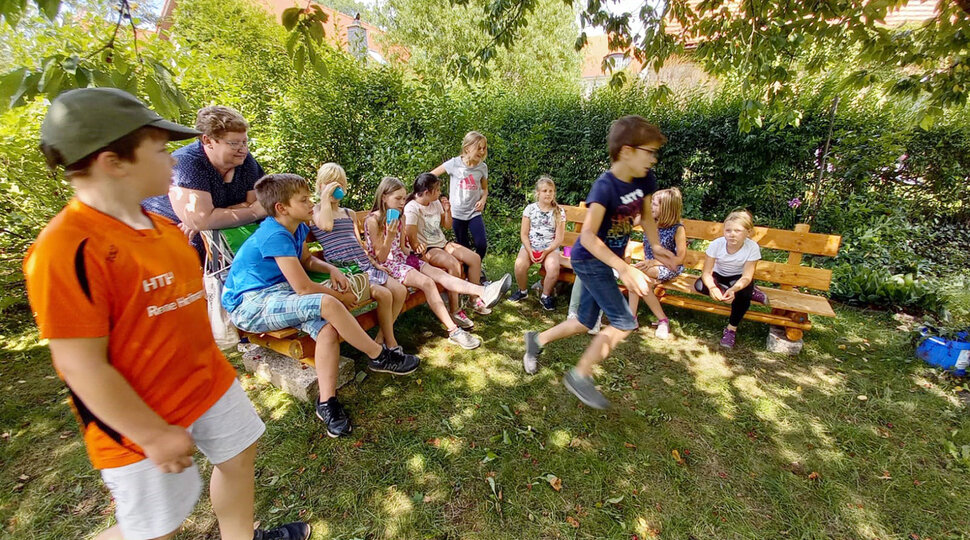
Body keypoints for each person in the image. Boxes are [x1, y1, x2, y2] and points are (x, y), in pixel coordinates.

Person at [25, 88, 309, 540]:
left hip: (207, 385)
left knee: (239, 456)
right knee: (155, 527)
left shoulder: (164, 231)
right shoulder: (67, 250)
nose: (174, 161)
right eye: (158, 150)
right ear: (112, 162)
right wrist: (152, 434)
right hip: (141, 415)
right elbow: (80, 364)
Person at [222, 174, 421, 438]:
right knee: (328, 301)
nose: (310, 203)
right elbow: (304, 288)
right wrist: (340, 297)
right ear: (281, 208)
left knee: (327, 329)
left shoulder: (299, 227)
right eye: (303, 200)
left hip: (281, 293)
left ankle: (327, 403)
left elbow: (306, 260)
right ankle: (379, 355)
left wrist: (330, 268)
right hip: (251, 302)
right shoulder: (273, 233)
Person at [521, 115, 669, 410]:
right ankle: (580, 375)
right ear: (627, 150)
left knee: (583, 322)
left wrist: (655, 244)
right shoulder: (604, 187)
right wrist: (623, 268)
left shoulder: (645, 179)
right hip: (590, 259)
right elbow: (587, 237)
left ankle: (535, 341)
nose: (653, 159)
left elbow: (648, 216)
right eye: (648, 151)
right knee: (625, 321)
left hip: (604, 260)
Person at [363, 177, 512, 350]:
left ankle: (484, 291)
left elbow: (403, 249)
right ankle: (454, 330)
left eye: (404, 198)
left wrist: (416, 252)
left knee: (441, 275)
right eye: (398, 198)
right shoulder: (373, 221)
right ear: (383, 197)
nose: (402, 203)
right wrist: (390, 235)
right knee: (428, 283)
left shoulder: (400, 218)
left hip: (404, 260)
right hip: (387, 266)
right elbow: (381, 257)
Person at [142, 105, 266, 260]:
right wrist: (254, 212)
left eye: (245, 142)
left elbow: (257, 201)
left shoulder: (246, 161)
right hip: (167, 244)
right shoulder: (188, 163)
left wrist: (211, 218)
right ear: (208, 140)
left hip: (220, 249)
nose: (243, 149)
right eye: (234, 143)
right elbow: (202, 219)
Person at [311, 163, 409, 350]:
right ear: (321, 185)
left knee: (401, 291)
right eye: (330, 183)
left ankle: (380, 339)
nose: (335, 187)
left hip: (364, 264)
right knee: (384, 294)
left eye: (339, 183)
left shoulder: (349, 213)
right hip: (345, 269)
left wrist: (374, 263)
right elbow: (326, 226)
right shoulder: (315, 213)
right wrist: (325, 198)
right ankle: (391, 343)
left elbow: (360, 245)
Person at [404, 173, 491, 329]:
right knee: (454, 265)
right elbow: (411, 236)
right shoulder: (412, 208)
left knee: (475, 258)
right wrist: (420, 254)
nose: (439, 193)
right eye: (437, 190)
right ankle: (455, 311)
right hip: (428, 249)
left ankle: (473, 299)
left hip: (442, 243)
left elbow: (447, 226)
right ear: (426, 192)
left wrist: (447, 210)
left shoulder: (435, 203)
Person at [693, 209, 768, 348]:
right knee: (699, 286)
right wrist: (713, 288)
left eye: (737, 231)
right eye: (728, 230)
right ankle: (733, 291)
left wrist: (734, 290)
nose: (732, 234)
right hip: (718, 275)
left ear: (748, 232)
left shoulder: (752, 247)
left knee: (743, 293)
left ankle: (731, 329)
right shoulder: (717, 244)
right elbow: (706, 273)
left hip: (738, 278)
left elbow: (746, 276)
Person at [627, 187, 687, 339]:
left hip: (668, 266)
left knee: (636, 274)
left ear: (666, 208)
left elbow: (680, 258)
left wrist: (655, 262)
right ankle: (659, 320)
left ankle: (633, 318)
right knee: (639, 278)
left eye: (654, 204)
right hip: (649, 266)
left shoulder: (678, 229)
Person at [430, 131, 490, 276]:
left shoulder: (482, 167)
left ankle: (473, 269)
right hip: (456, 214)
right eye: (479, 148)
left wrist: (482, 200)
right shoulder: (454, 163)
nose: (482, 152)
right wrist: (437, 195)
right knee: (464, 247)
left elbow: (485, 189)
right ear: (468, 148)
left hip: (474, 213)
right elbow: (430, 176)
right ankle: (471, 274)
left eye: (484, 148)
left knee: (481, 244)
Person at [509, 175, 566, 310]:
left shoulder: (559, 211)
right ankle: (522, 291)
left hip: (550, 248)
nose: (548, 193)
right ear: (538, 193)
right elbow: (523, 234)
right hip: (530, 245)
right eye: (545, 191)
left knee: (553, 268)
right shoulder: (530, 209)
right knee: (519, 264)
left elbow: (559, 238)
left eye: (551, 191)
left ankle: (545, 296)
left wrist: (546, 251)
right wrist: (529, 250)